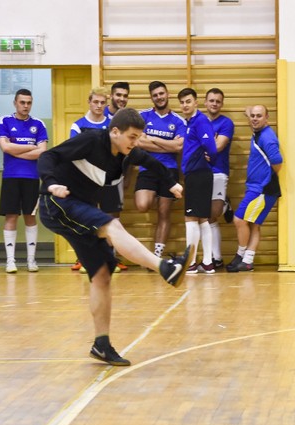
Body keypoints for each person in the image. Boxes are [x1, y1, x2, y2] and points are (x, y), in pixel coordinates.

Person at [37, 107, 193, 366]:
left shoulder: (125, 153)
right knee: (112, 226)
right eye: (132, 137)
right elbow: (48, 156)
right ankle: (165, 268)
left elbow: (152, 162)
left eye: (138, 137)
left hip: (82, 208)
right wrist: (51, 183)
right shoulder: (91, 140)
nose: (136, 142)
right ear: (115, 132)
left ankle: (101, 344)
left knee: (102, 275)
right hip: (58, 205)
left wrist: (171, 182)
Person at [70, 87, 128, 273]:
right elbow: (74, 153)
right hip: (87, 180)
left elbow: (121, 150)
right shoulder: (78, 125)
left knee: (112, 217)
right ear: (89, 101)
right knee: (87, 217)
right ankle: (86, 258)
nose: (99, 106)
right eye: (95, 102)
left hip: (110, 179)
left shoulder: (114, 125)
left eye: (102, 102)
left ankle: (110, 257)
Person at [0, 89, 48, 273]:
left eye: (29, 103)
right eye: (22, 102)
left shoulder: (39, 124)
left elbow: (42, 151)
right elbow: (5, 147)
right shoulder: (5, 121)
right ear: (15, 103)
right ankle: (10, 261)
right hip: (11, 177)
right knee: (11, 216)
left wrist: (15, 149)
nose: (25, 106)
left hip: (32, 178)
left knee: (30, 216)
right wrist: (30, 147)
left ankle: (31, 260)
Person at [226, 104, 282, 272]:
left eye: (259, 116)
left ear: (267, 118)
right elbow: (250, 111)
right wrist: (248, 111)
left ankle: (241, 254)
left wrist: (265, 179)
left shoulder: (267, 137)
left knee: (239, 220)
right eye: (252, 116)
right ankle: (248, 261)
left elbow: (277, 162)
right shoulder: (259, 132)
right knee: (254, 225)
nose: (255, 119)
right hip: (256, 187)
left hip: (262, 189)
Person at [134, 81, 185, 259]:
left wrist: (152, 140)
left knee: (164, 213)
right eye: (155, 95)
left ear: (167, 94)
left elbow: (179, 147)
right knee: (142, 205)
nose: (159, 97)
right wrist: (168, 145)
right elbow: (139, 143)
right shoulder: (143, 116)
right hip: (147, 168)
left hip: (169, 170)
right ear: (151, 97)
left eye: (161, 93)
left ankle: (157, 255)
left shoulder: (178, 120)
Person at [177, 88, 217, 274]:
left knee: (191, 217)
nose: (185, 105)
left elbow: (210, 145)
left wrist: (210, 158)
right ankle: (207, 262)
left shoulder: (200, 121)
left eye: (188, 101)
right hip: (195, 173)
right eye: (182, 102)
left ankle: (191, 262)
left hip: (199, 173)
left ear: (196, 103)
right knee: (202, 219)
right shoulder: (190, 122)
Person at [204, 88, 234, 270]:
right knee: (205, 217)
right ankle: (216, 258)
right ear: (205, 102)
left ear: (221, 104)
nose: (214, 103)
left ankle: (224, 204)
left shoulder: (226, 123)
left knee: (214, 213)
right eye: (211, 100)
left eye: (218, 101)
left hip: (218, 171)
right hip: (200, 172)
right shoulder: (198, 121)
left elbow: (219, 146)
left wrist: (204, 148)